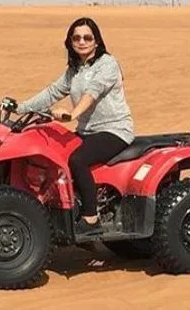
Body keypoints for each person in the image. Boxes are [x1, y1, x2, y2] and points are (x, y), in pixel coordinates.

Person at [16, 17, 134, 236]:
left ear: (97, 41)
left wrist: (72, 114)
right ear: (70, 42)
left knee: (78, 160)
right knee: (56, 154)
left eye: (87, 37)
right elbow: (52, 93)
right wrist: (20, 107)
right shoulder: (75, 70)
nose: (82, 41)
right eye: (77, 38)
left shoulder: (108, 64)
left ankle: (91, 219)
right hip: (87, 132)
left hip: (114, 130)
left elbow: (93, 93)